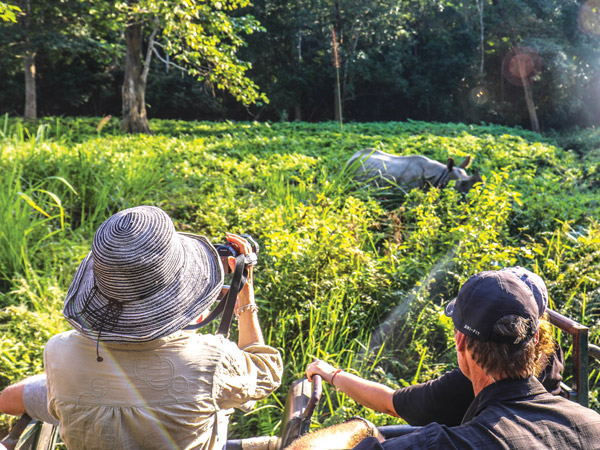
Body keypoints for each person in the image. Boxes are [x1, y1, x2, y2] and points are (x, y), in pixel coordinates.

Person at [2, 206, 282, 450]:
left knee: (27, 392)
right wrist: (245, 300)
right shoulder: (212, 361)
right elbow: (267, 372)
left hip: (81, 396)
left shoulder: (59, 351)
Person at [289, 269, 600, 449]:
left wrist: (360, 429)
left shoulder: (444, 444)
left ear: (460, 340)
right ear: (537, 341)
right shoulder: (592, 424)